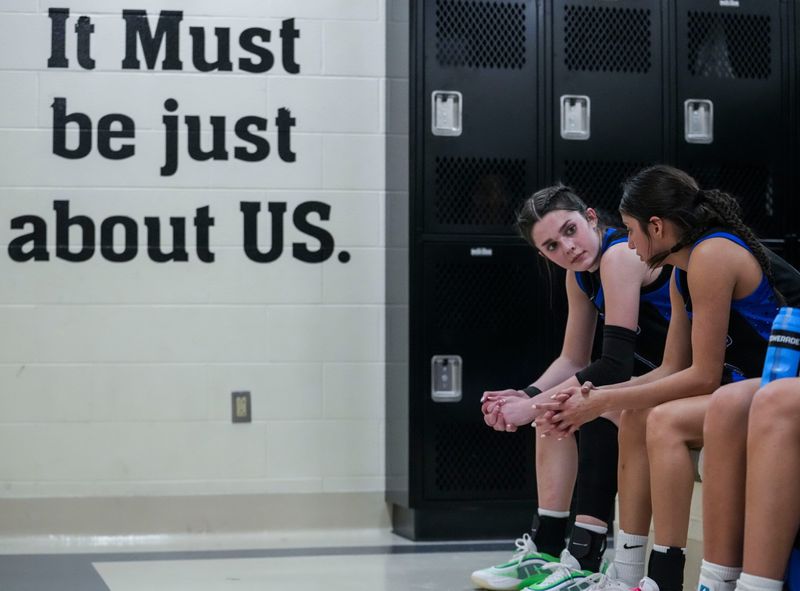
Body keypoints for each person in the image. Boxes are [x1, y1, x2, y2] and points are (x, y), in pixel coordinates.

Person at [536, 165, 800, 591]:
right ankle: (628, 575)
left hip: (785, 377)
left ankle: (679, 577)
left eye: (629, 230)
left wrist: (599, 402)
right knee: (637, 414)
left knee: (663, 419)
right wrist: (601, 396)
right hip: (755, 381)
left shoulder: (712, 255)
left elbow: (704, 377)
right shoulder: (682, 271)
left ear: (655, 227)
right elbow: (672, 368)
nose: (628, 242)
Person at [470, 185, 672, 590]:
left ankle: (583, 556)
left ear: (592, 218)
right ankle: (546, 550)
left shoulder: (619, 255)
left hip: (679, 373)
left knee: (588, 404)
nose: (567, 247)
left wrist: (533, 406)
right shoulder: (578, 277)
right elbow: (572, 360)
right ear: (542, 254)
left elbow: (612, 366)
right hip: (652, 378)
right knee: (558, 406)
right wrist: (526, 396)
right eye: (551, 245)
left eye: (570, 230)